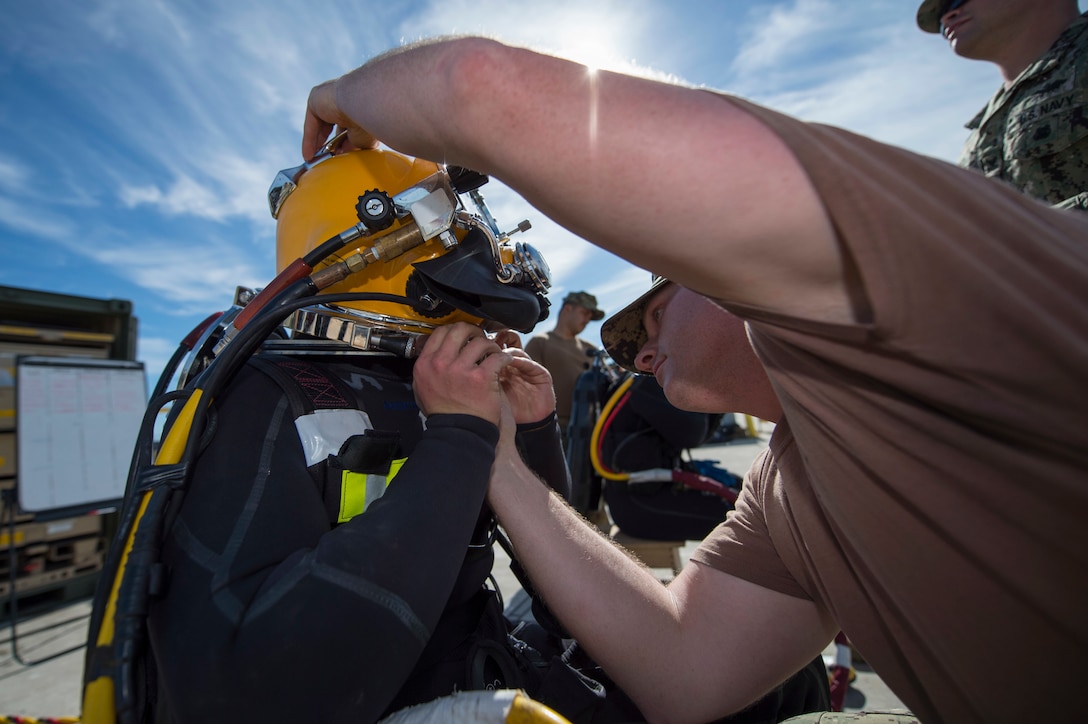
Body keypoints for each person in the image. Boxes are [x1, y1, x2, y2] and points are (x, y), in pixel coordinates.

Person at [301, 35, 1087, 723]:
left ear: (721, 277)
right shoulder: (790, 486)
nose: (640, 354)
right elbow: (685, 668)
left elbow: (481, 85)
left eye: (651, 316)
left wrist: (340, 99)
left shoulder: (914, 299)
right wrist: (494, 454)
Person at [117, 146, 632, 723]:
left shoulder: (431, 383)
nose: (480, 242)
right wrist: (459, 433)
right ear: (370, 232)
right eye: (451, 222)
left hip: (481, 658)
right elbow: (234, 694)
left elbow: (559, 585)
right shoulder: (268, 396)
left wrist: (531, 432)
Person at [918, 0, 1088, 209]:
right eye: (941, 15)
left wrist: (1029, 234)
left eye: (959, 0)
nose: (947, 17)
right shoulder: (980, 133)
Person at [594, 370, 739, 541]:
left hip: (653, 492)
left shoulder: (648, 381)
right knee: (745, 519)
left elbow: (699, 433)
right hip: (639, 507)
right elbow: (692, 434)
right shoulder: (647, 383)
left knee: (745, 492)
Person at [525, 291, 605, 433]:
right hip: (553, 428)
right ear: (568, 309)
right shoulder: (540, 343)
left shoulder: (592, 349)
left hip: (594, 429)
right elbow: (526, 389)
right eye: (585, 313)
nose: (587, 320)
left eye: (590, 317)